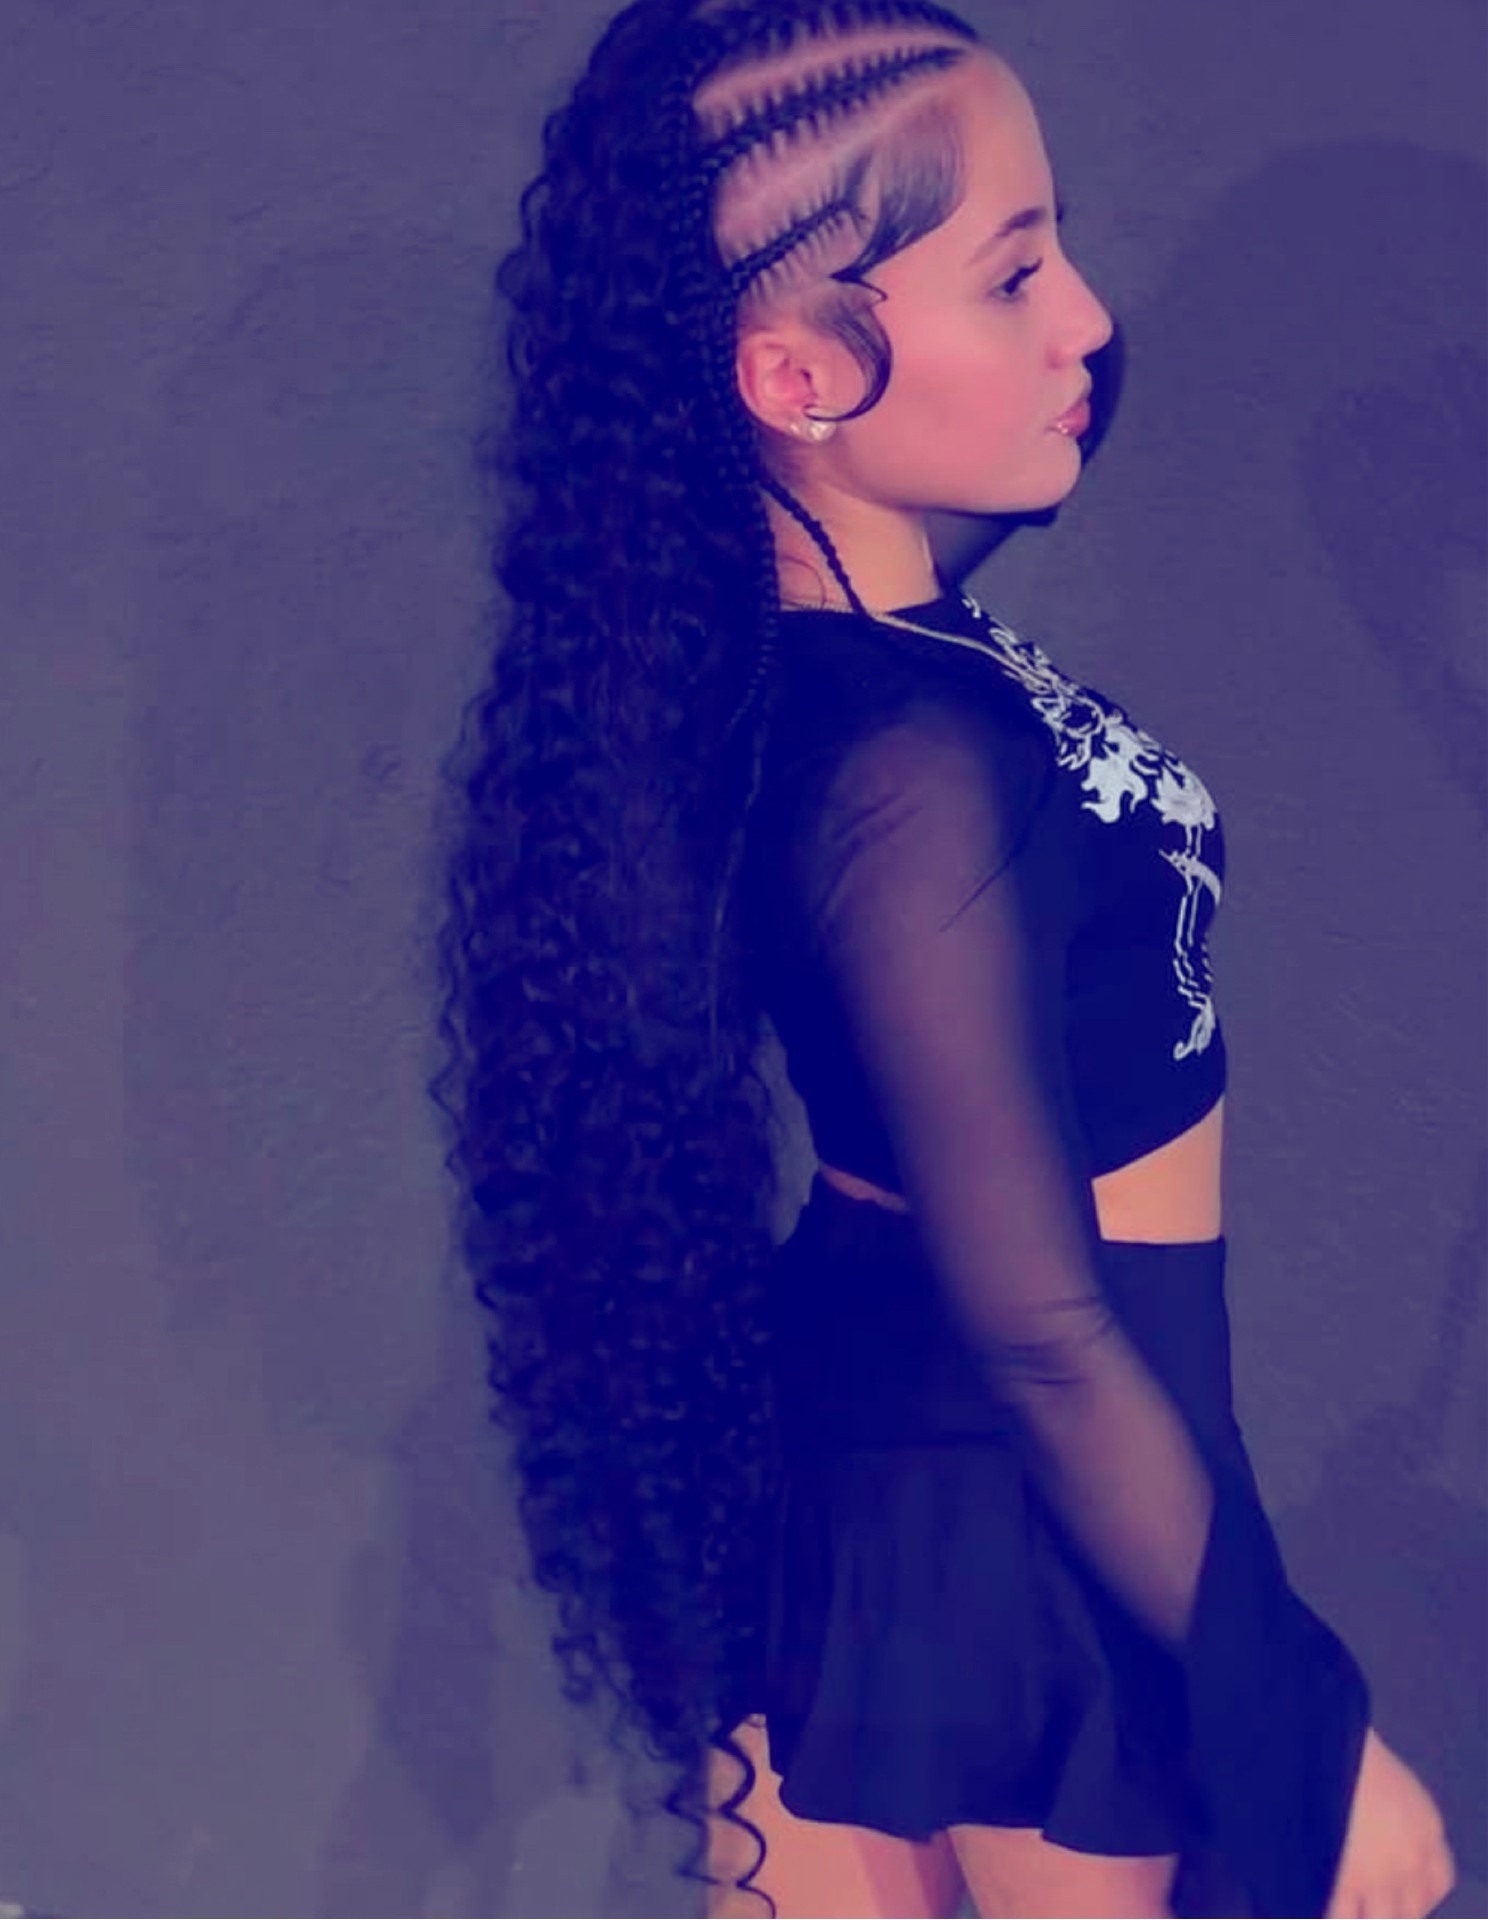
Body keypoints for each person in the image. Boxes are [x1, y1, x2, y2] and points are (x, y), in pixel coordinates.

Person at [433, 2, 1458, 1914]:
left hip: (890, 1453)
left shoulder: (839, 670)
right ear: (797, 372)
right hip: (1036, 1497)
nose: (1088, 320)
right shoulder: (910, 764)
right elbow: (1043, 1326)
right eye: (1014, 274)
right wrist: (1309, 1736)